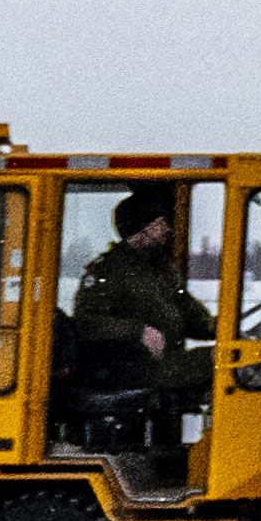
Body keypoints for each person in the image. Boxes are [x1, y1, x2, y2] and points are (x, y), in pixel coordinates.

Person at [59, 188, 209, 462]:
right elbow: (87, 323)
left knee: (233, 360)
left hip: (166, 363)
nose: (168, 230)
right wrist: (138, 331)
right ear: (143, 227)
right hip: (130, 369)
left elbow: (192, 317)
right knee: (219, 362)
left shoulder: (161, 270)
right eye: (161, 224)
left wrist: (226, 328)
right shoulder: (108, 271)